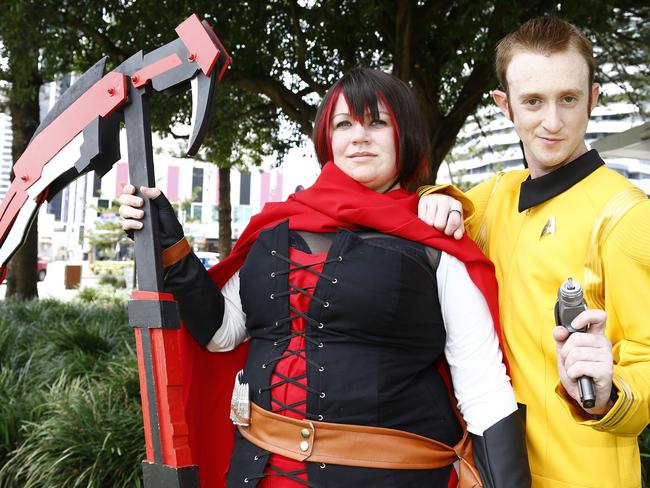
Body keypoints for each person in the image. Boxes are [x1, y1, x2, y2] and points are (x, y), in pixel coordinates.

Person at [119, 67, 530, 487]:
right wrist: (170, 243)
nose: (360, 136)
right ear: (327, 139)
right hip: (257, 473)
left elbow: (483, 391)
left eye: (378, 123)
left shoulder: (434, 244)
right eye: (344, 124)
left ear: (404, 135)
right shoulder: (275, 230)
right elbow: (222, 332)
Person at [418, 16, 650, 488]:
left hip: (583, 474)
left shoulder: (628, 215)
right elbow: (425, 210)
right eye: (533, 102)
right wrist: (430, 195)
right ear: (505, 106)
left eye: (568, 98)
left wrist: (609, 394)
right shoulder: (493, 197)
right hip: (491, 467)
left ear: (594, 97)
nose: (552, 121)